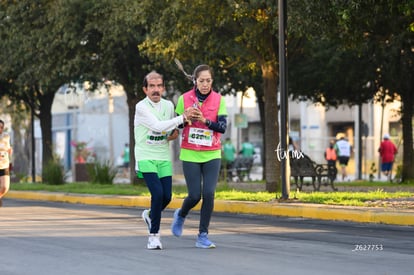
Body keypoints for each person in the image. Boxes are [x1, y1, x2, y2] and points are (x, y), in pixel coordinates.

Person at [134, 71, 197, 250]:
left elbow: (172, 129)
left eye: (159, 86)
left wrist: (186, 119)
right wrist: (182, 118)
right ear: (145, 89)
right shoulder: (141, 107)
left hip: (163, 156)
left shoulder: (169, 105)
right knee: (157, 194)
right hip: (145, 156)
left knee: (167, 197)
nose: (156, 90)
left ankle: (149, 215)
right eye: (151, 86)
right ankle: (153, 237)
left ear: (163, 88)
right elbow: (157, 126)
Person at [171, 64, 227, 249]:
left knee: (209, 194)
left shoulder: (219, 99)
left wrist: (205, 120)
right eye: (201, 80)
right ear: (195, 80)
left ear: (212, 81)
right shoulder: (184, 99)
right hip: (190, 153)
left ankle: (203, 235)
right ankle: (181, 214)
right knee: (194, 195)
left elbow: (222, 127)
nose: (205, 84)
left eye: (208, 81)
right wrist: (186, 118)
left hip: (212, 153)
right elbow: (177, 126)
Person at [0, 119, 12, 207]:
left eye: (1, 127)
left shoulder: (6, 137)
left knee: (5, 187)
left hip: (4, 164)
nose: (0, 129)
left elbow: (8, 148)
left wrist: (9, 150)